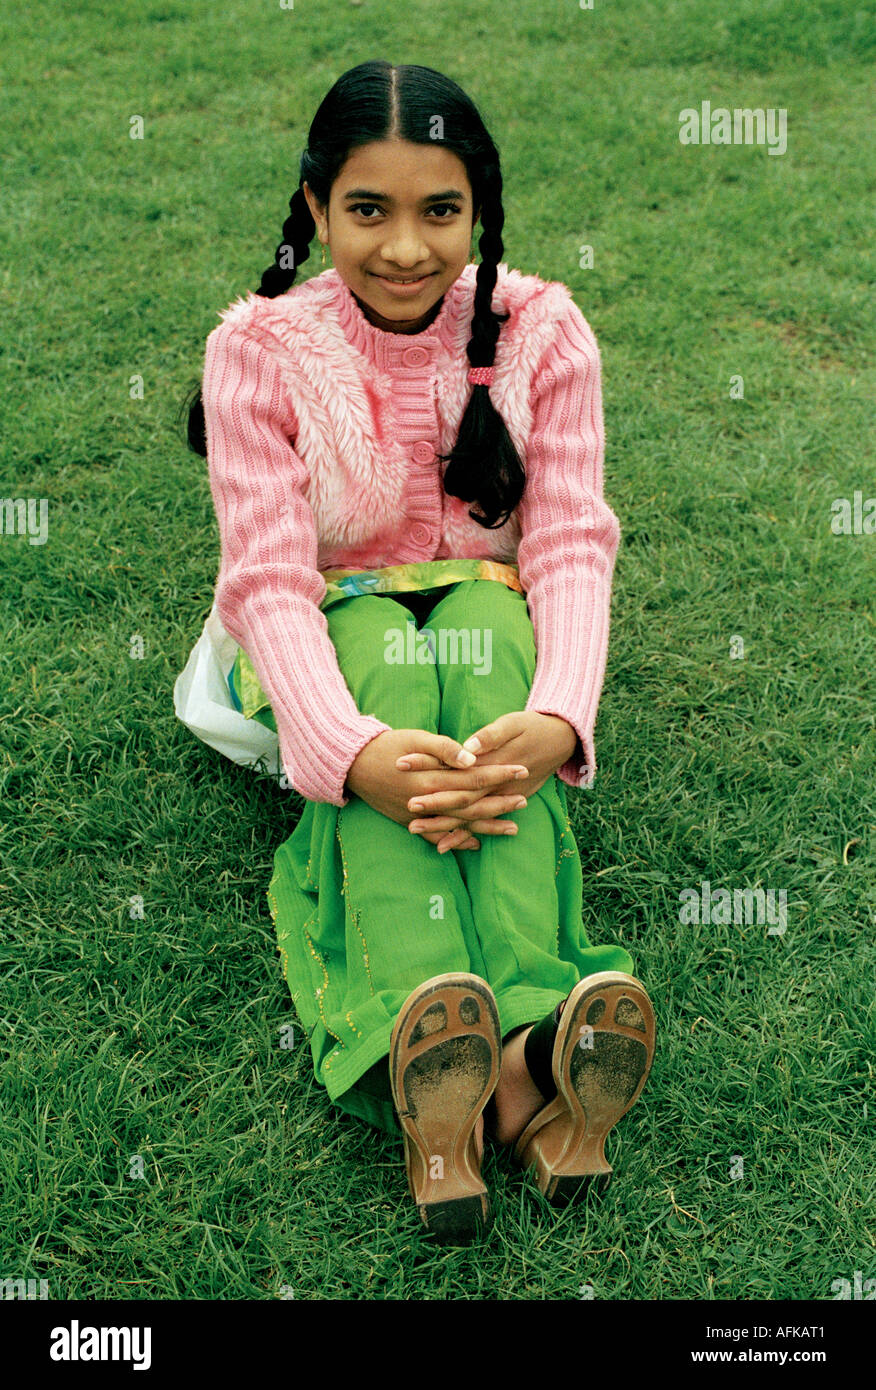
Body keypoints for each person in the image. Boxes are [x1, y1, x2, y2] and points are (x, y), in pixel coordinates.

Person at [178, 59, 656, 1246]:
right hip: (328, 641)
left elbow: (571, 542)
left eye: (439, 211)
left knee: (493, 643)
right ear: (313, 207)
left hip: (487, 623)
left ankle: (515, 1043)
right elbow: (273, 583)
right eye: (367, 210)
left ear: (480, 209)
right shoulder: (260, 350)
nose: (405, 248)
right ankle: (477, 1047)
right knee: (391, 660)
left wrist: (558, 719)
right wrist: (355, 753)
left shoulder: (542, 330)